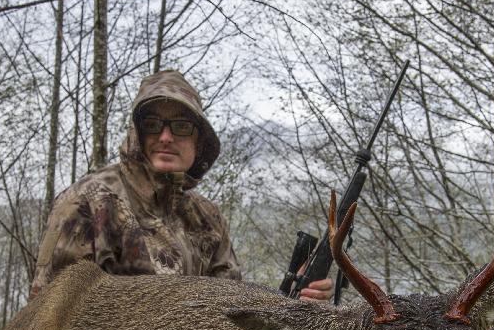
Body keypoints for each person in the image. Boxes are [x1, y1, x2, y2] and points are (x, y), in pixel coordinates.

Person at [30, 69, 333, 301]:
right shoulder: (90, 202)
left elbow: (233, 313)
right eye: (152, 125)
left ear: (198, 141)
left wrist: (294, 301)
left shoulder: (207, 218)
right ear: (137, 133)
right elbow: (49, 319)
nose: (165, 137)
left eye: (181, 126)